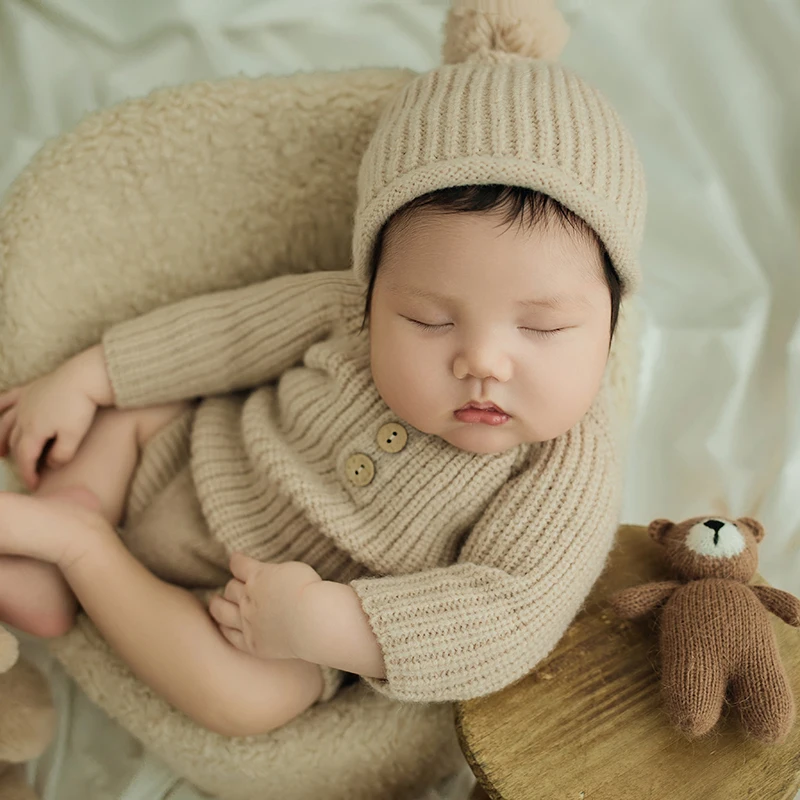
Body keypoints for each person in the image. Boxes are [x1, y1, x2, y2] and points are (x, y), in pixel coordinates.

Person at [0, 0, 645, 737]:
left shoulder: (566, 464)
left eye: (543, 327)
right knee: (134, 413)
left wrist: (331, 622)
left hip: (265, 619)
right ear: (375, 288)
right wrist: (88, 376)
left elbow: (508, 610)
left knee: (250, 701)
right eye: (428, 320)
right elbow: (224, 333)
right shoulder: (343, 310)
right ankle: (78, 518)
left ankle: (81, 552)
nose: (482, 361)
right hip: (187, 456)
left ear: (611, 323)